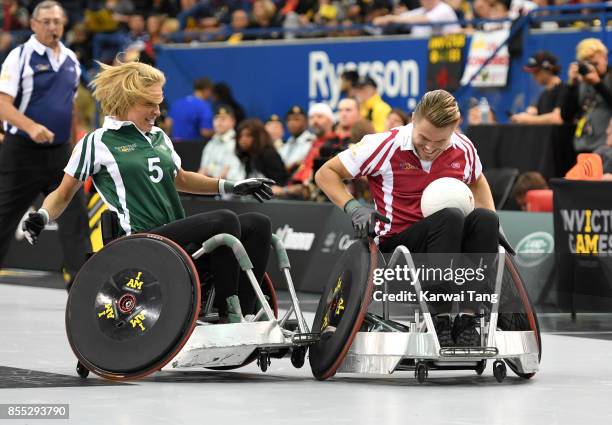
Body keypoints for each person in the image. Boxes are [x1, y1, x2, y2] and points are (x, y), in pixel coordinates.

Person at [21, 61, 275, 322]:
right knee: (224, 220)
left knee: (258, 223)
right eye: (150, 104)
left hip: (174, 234)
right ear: (125, 100)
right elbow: (63, 194)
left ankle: (245, 309)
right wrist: (41, 215)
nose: (158, 111)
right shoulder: (96, 143)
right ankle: (226, 313)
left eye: (159, 103)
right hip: (141, 240)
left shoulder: (159, 137)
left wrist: (233, 186)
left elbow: (181, 178)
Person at [315, 90, 498, 347]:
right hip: (398, 247)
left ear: (455, 128)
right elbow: (326, 173)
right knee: (450, 218)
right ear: (413, 119)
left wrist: (490, 218)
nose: (430, 147)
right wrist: (353, 207)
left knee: (486, 221)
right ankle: (440, 319)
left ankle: (469, 320)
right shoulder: (383, 145)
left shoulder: (464, 147)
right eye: (423, 137)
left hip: (449, 240)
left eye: (440, 141)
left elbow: (477, 180)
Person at [0, 1, 91, 285]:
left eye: (57, 21)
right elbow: (2, 104)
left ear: (64, 24)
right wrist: (31, 126)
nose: (53, 27)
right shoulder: (19, 56)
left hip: (61, 153)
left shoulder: (71, 60)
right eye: (47, 21)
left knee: (75, 218)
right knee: (3, 219)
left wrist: (77, 146)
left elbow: (71, 108)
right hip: (21, 153)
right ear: (34, 24)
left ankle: (81, 288)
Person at [567, 38, 612, 153]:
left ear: (605, 58)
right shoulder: (582, 82)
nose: (592, 68)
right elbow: (566, 115)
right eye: (588, 64)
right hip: (583, 142)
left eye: (595, 63)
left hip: (605, 145)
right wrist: (571, 85)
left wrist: (597, 83)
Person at [511, 51, 573, 125]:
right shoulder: (544, 94)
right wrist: (529, 114)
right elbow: (535, 113)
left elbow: (557, 118)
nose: (533, 76)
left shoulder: (564, 89)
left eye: (536, 72)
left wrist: (529, 119)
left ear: (548, 69)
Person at [198, 104, 245, 181]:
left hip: (230, 188)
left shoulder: (236, 143)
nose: (219, 122)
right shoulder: (211, 144)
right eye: (216, 118)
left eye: (223, 119)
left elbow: (224, 173)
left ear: (233, 121)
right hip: (213, 187)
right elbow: (202, 170)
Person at [236, 118, 288, 185]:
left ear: (258, 136)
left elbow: (279, 183)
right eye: (240, 136)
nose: (243, 140)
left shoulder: (269, 155)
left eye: (248, 136)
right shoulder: (247, 156)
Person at [373, 0, 460, 37]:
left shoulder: (444, 9)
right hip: (424, 52)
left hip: (449, 51)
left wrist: (391, 18)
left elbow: (424, 20)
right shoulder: (421, 11)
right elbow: (404, 17)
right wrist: (387, 18)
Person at [167, 77, 214, 141]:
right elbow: (205, 132)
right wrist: (218, 132)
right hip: (192, 147)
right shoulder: (204, 106)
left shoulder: (177, 103)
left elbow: (168, 123)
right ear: (207, 90)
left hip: (175, 145)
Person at [278, 105, 315, 174]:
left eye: (296, 119)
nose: (291, 123)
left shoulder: (312, 142)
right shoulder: (285, 144)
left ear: (306, 122)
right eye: (289, 120)